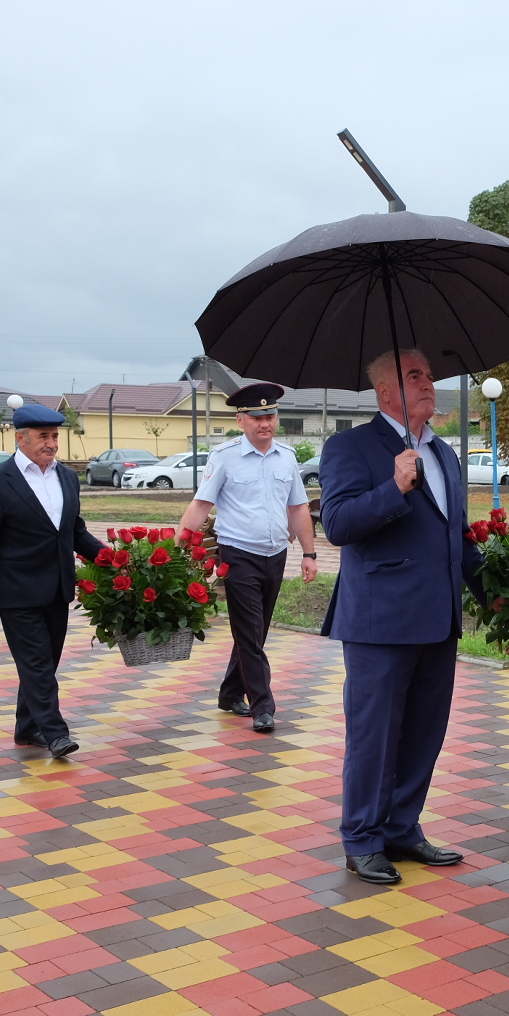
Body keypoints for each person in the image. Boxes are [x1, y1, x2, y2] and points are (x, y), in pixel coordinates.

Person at [321, 348, 482, 886]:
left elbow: (455, 534)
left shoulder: (445, 453)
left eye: (430, 375)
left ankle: (402, 827)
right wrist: (394, 488)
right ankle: (362, 839)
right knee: (374, 734)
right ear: (386, 391)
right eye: (416, 376)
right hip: (380, 622)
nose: (430, 384)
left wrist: (493, 591)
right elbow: (338, 524)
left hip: (438, 618)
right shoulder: (350, 446)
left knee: (424, 731)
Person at [176, 382, 318, 733]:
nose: (265, 423)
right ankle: (263, 706)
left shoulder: (287, 456)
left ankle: (229, 692)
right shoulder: (224, 456)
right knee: (251, 633)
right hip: (237, 553)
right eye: (257, 417)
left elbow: (298, 508)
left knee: (255, 631)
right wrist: (175, 547)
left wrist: (310, 553)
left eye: (270, 416)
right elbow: (201, 504)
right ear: (241, 420)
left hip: (276, 554)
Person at [0, 404, 102, 759]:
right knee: (38, 664)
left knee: (45, 661)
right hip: (16, 590)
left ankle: (27, 728)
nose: (52, 443)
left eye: (55, 436)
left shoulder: (67, 477)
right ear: (21, 438)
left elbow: (74, 531)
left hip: (57, 588)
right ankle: (55, 734)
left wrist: (111, 560)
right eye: (44, 437)